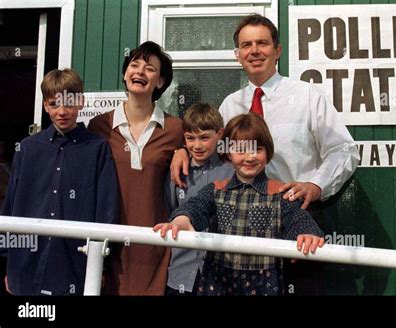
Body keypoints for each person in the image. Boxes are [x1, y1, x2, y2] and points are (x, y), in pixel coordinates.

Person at [170, 14, 359, 295]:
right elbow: (209, 147)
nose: (254, 51)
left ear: (277, 50)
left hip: (297, 219)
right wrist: (182, 151)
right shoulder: (230, 104)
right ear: (238, 55)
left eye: (262, 43)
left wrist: (316, 185)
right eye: (246, 45)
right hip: (239, 223)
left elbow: (343, 150)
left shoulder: (307, 96)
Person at [155, 113, 325, 296]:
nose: (250, 157)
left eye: (257, 149)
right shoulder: (215, 190)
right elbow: (196, 206)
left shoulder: (280, 193)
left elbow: (298, 220)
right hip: (218, 285)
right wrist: (182, 218)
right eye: (241, 150)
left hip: (264, 287)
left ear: (268, 152)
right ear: (228, 153)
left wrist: (307, 233)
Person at [1, 68, 119, 295]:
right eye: (55, 104)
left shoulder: (97, 148)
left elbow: (106, 209)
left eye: (69, 103)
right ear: (45, 105)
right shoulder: (27, 148)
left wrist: (100, 264)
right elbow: (11, 205)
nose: (62, 111)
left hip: (75, 263)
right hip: (25, 264)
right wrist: (10, 260)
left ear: (81, 102)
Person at [88, 41, 183, 295]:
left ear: (160, 82)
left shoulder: (175, 129)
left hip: (155, 243)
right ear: (124, 74)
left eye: (150, 68)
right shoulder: (99, 126)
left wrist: (183, 150)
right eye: (134, 65)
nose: (140, 71)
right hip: (109, 242)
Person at [164, 103, 234, 295]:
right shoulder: (177, 173)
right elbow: (171, 210)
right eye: (190, 138)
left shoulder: (232, 170)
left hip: (222, 276)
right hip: (181, 273)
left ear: (220, 134)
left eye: (204, 138)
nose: (197, 145)